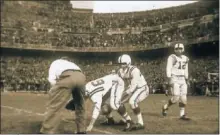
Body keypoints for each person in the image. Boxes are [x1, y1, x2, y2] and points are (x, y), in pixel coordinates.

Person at [40, 57, 87, 134]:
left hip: (67, 76)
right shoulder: (72, 64)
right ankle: (81, 130)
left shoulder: (55, 62)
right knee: (81, 105)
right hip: (81, 77)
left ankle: (47, 131)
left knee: (55, 105)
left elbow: (52, 80)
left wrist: (54, 92)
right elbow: (76, 79)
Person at [117, 54, 149, 131]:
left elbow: (133, 87)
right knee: (118, 102)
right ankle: (126, 120)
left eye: (124, 63)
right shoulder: (120, 71)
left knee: (132, 102)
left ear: (128, 62)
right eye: (120, 63)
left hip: (142, 88)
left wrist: (124, 94)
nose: (122, 65)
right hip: (132, 89)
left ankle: (141, 123)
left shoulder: (134, 70)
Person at [162, 43, 190, 120]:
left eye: (180, 49)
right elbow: (168, 68)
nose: (179, 50)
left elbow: (186, 70)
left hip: (182, 79)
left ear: (183, 49)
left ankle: (182, 114)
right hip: (175, 78)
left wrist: (187, 79)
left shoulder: (186, 58)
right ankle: (165, 106)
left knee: (184, 97)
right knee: (176, 97)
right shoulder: (172, 57)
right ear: (175, 50)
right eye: (177, 49)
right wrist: (169, 78)